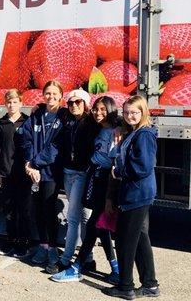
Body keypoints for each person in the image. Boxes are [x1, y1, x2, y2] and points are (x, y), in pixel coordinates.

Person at [51, 96, 120, 284]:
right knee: (101, 225)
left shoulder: (115, 130)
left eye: (103, 110)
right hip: (95, 177)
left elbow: (115, 160)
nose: (99, 113)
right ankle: (115, 268)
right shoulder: (97, 126)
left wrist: (121, 125)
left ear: (111, 110)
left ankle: (77, 266)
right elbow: (70, 116)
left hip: (107, 179)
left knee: (93, 224)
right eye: (96, 109)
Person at [103, 95, 159, 300]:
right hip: (137, 193)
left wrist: (119, 172)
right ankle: (150, 284)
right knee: (140, 238)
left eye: (134, 112)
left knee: (126, 240)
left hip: (137, 193)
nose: (129, 116)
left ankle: (125, 285)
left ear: (143, 112)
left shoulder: (144, 135)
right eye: (126, 112)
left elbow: (143, 166)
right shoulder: (134, 132)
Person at [22, 80, 67, 273]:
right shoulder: (37, 114)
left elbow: (56, 147)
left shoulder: (64, 116)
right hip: (34, 171)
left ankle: (53, 250)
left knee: (49, 210)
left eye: (55, 93)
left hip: (50, 172)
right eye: (47, 93)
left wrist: (35, 163)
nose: (51, 97)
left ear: (61, 96)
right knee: (37, 210)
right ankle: (43, 245)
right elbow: (26, 139)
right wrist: (29, 163)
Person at [54, 88, 96, 274]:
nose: (74, 105)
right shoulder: (67, 120)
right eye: (70, 102)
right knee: (83, 216)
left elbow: (112, 122)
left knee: (73, 217)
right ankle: (88, 258)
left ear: (86, 104)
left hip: (81, 174)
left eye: (78, 102)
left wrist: (119, 126)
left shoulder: (92, 123)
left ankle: (65, 259)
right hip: (68, 172)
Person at [0, 89, 30, 258]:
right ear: (5, 104)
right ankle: (11, 241)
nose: (11, 105)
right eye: (9, 102)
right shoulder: (1, 123)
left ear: (21, 103)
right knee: (9, 209)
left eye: (15, 102)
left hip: (23, 173)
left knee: (23, 210)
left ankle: (23, 243)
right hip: (7, 172)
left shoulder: (27, 122)